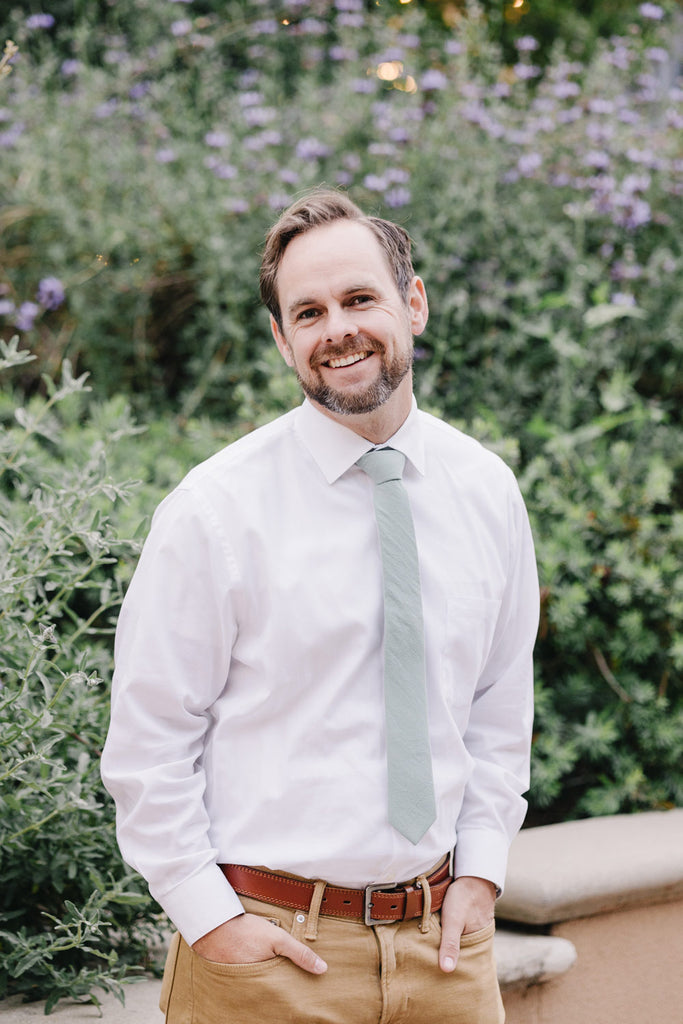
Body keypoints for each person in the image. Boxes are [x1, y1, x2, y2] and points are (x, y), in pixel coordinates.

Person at [101, 189, 539, 1024]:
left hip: (448, 954)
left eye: (359, 298)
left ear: (412, 303)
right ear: (281, 339)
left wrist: (480, 874)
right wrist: (212, 922)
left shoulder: (485, 490)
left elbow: (497, 708)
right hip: (266, 958)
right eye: (308, 312)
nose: (336, 328)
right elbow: (148, 744)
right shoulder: (214, 512)